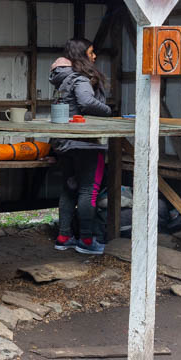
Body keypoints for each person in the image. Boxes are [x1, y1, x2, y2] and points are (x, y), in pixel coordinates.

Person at [49, 38, 112, 255]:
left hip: (66, 142)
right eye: (91, 52)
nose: (94, 56)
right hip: (87, 142)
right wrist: (108, 111)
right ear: (81, 55)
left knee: (69, 189)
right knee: (88, 190)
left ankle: (64, 236)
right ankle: (86, 239)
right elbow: (86, 102)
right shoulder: (81, 79)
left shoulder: (64, 78)